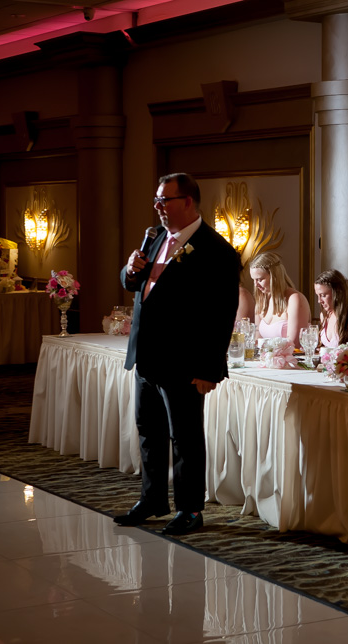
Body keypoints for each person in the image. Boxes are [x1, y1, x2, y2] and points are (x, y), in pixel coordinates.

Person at [115, 172, 239, 535]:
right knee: (148, 431)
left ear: (187, 202)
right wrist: (130, 268)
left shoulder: (216, 251)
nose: (158, 207)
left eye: (164, 201)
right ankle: (152, 499)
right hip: (147, 356)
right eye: (156, 201)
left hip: (185, 362)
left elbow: (222, 315)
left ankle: (190, 509)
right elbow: (133, 283)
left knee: (185, 436)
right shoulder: (154, 238)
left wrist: (210, 368)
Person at [249, 251, 311, 348]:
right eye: (253, 280)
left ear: (274, 276)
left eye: (260, 279)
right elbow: (257, 342)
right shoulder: (261, 301)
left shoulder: (294, 299)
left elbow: (294, 344)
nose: (255, 285)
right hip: (265, 360)